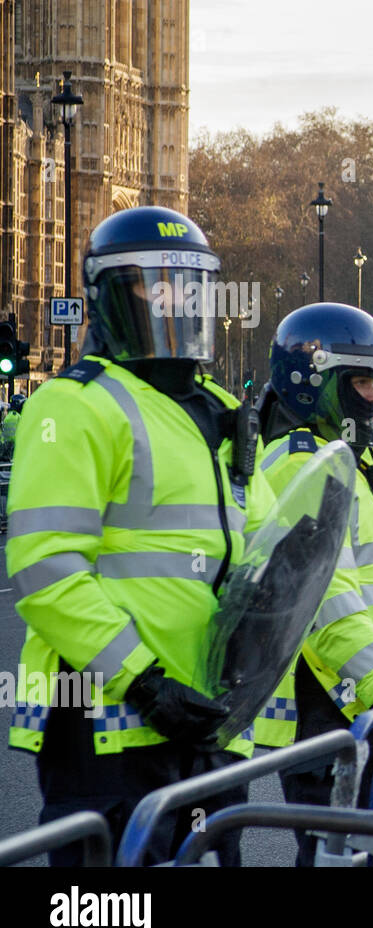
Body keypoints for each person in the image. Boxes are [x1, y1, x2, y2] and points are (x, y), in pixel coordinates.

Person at [6, 207, 276, 865]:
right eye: (150, 284)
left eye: (186, 286)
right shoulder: (75, 403)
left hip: (209, 721)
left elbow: (259, 559)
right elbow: (45, 568)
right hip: (105, 722)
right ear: (108, 297)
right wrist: (145, 682)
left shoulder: (219, 410)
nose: (172, 300)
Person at [254, 304, 373, 862]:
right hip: (327, 706)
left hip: (356, 701)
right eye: (360, 381)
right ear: (311, 384)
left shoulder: (341, 456)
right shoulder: (299, 464)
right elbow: (325, 602)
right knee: (337, 858)